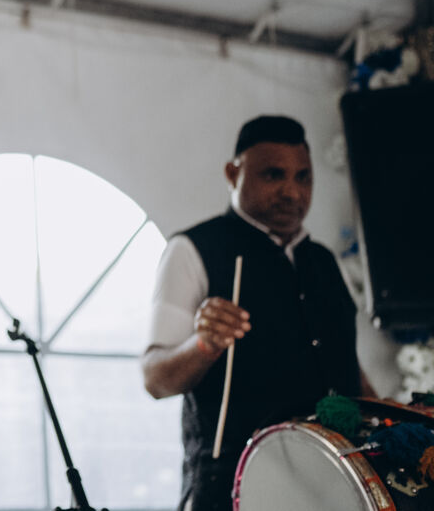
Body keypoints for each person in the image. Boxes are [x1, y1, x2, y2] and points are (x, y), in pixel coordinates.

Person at [140, 115, 372, 511]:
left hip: (332, 485)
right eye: (273, 175)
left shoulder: (322, 261)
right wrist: (204, 345)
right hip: (235, 489)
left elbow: (348, 366)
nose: (292, 192)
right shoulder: (193, 249)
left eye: (303, 177)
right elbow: (155, 379)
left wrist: (393, 420)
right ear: (233, 174)